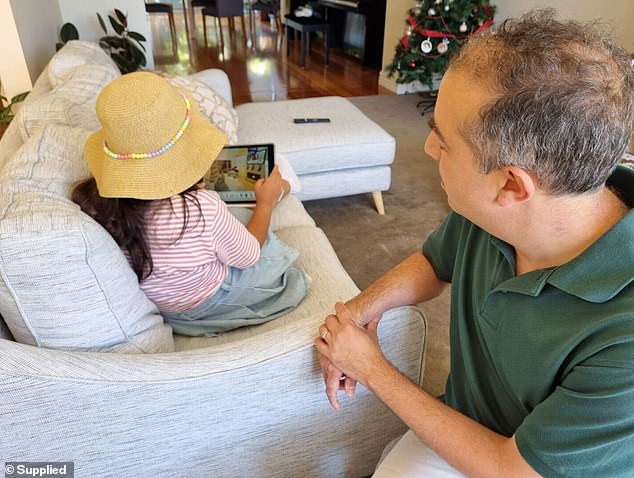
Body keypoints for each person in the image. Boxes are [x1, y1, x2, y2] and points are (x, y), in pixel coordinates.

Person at [315, 10, 634, 477]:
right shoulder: (489, 213)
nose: (427, 150)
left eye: (442, 141)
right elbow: (434, 261)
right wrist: (362, 309)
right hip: (468, 422)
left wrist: (373, 370)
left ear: (511, 186)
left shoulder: (623, 339)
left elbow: (511, 469)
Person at [73, 71, 310, 336]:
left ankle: (282, 185)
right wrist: (265, 205)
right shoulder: (203, 207)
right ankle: (284, 186)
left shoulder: (102, 207)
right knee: (268, 249)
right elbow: (249, 256)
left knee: (236, 222)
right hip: (214, 300)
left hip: (173, 313)